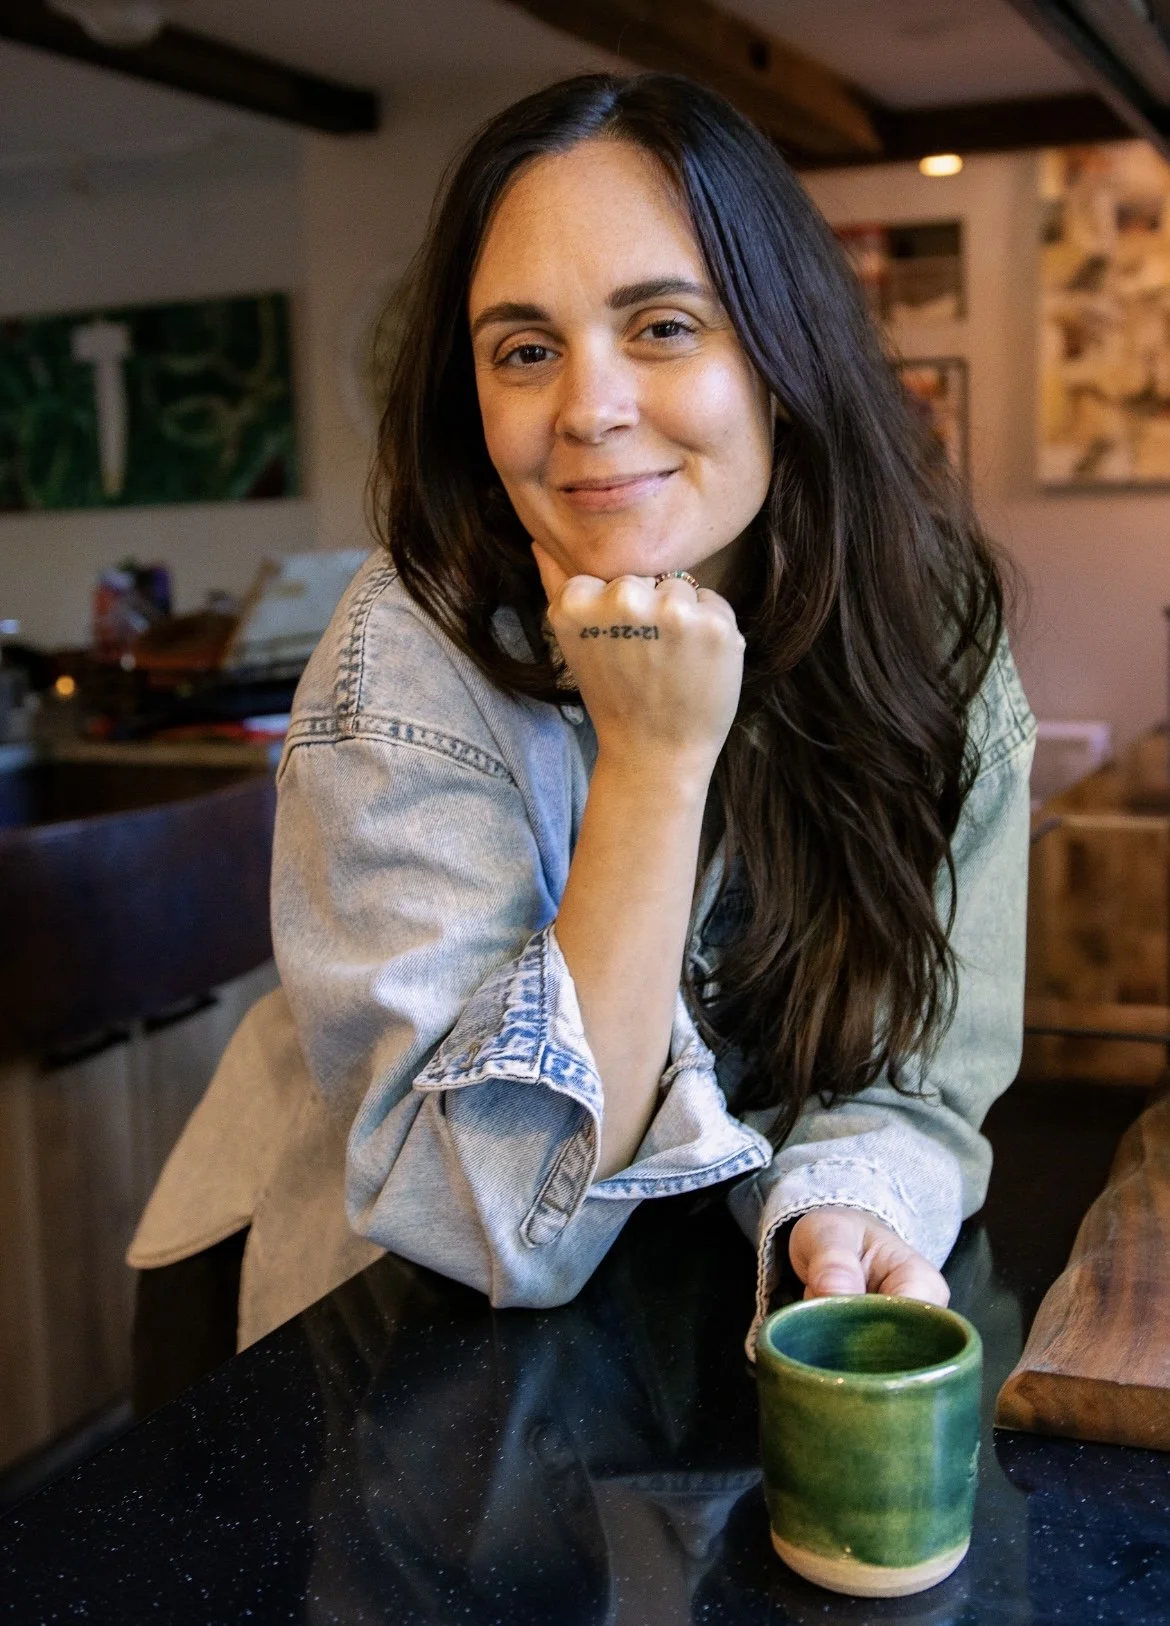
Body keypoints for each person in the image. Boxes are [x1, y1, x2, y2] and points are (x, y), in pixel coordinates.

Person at [129, 72, 1035, 1397]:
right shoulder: (407, 653)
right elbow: (495, 1219)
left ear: (783, 358)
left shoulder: (928, 625)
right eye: (524, 349)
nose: (588, 409)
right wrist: (654, 763)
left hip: (668, 1331)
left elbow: (921, 1075)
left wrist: (849, 1199)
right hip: (373, 1334)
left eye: (662, 325)